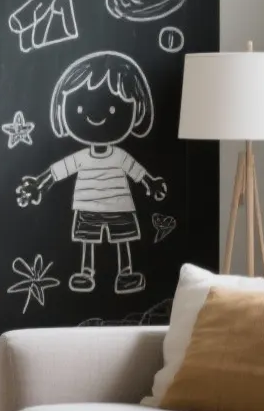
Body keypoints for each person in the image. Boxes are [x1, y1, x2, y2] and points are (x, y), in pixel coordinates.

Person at [16, 51, 167, 295]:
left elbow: (136, 171)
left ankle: (125, 272)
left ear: (137, 110)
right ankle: (86, 272)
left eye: (113, 109)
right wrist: (39, 184)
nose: (95, 117)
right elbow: (58, 171)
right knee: (88, 241)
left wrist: (151, 183)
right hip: (88, 206)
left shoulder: (119, 155)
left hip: (119, 206)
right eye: (78, 108)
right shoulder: (82, 157)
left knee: (123, 239)